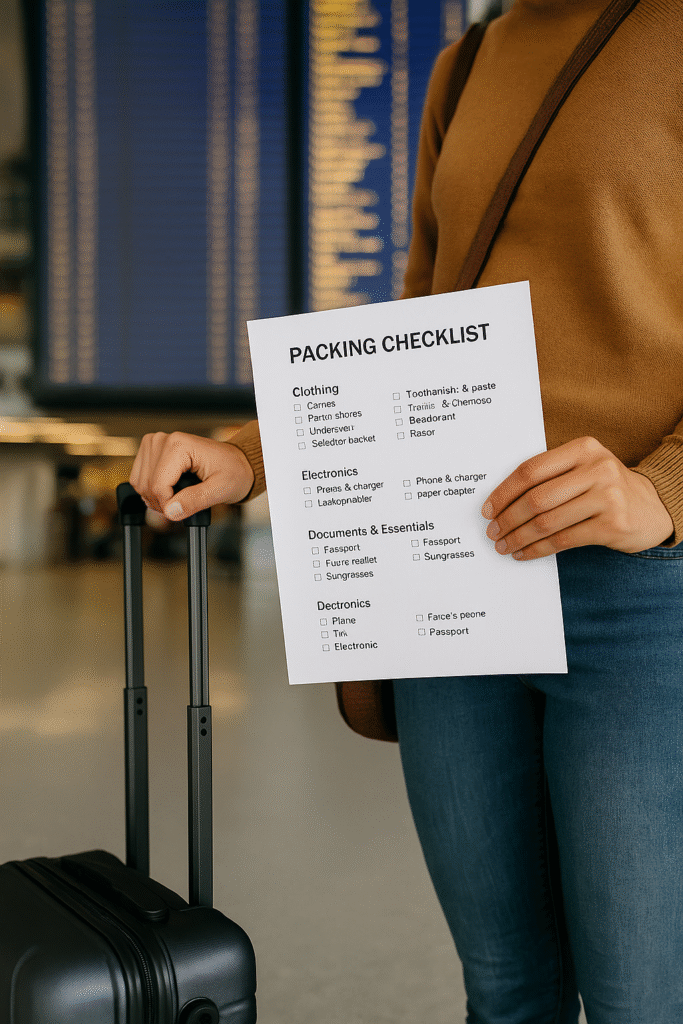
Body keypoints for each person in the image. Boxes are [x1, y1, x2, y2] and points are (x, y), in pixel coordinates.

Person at [131, 1, 683, 1020]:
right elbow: (422, 324)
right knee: (502, 984)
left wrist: (662, 489)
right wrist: (250, 456)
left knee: (640, 997)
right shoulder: (468, 63)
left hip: (641, 594)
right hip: (451, 563)